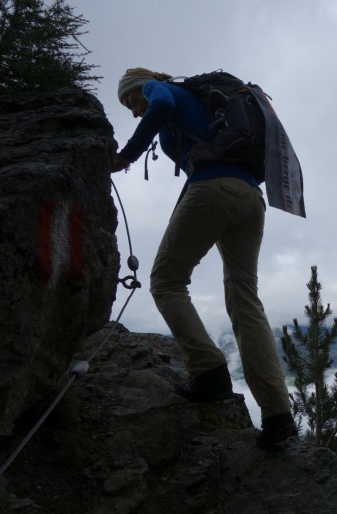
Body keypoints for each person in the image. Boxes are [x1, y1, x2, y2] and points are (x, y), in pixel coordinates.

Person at [111, 67, 297, 449]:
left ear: (137, 86)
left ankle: (208, 372)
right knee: (245, 298)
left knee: (165, 281)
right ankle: (279, 417)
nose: (133, 110)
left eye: (130, 101)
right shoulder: (204, 102)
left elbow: (158, 102)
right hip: (249, 199)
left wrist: (126, 155)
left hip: (213, 189)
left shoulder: (159, 88)